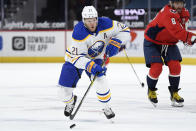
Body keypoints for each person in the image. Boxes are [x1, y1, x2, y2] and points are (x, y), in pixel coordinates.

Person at [58, 6, 130, 119]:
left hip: (96, 57)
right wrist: (89, 65)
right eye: (89, 20)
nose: (92, 23)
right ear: (84, 20)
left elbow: (125, 30)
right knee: (63, 93)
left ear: (97, 18)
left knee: (101, 80)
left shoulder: (106, 23)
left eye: (94, 20)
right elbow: (78, 57)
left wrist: (117, 41)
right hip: (75, 59)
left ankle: (106, 106)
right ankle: (70, 102)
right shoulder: (79, 32)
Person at [143, 0, 196, 107]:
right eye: (176, 3)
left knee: (176, 66)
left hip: (170, 43)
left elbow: (183, 28)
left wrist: (186, 39)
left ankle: (174, 93)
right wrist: (190, 37)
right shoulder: (168, 13)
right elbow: (176, 31)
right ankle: (151, 90)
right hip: (153, 42)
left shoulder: (184, 13)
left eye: (181, 3)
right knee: (157, 67)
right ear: (171, 3)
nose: (179, 6)